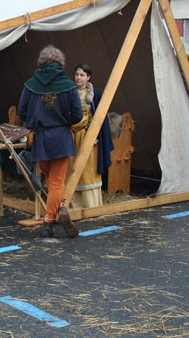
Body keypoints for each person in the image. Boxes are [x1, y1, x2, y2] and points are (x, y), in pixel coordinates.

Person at [18, 45, 82, 238]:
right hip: (61, 137)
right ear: (60, 62)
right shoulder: (69, 85)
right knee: (55, 181)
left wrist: (36, 118)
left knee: (51, 180)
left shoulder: (30, 84)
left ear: (41, 62)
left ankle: (57, 210)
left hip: (41, 138)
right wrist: (63, 121)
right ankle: (51, 218)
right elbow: (78, 115)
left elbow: (22, 112)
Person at [67, 63, 114, 209]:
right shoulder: (69, 93)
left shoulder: (94, 94)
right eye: (77, 74)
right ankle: (72, 203)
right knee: (71, 168)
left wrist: (93, 135)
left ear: (88, 77)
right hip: (71, 137)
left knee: (88, 170)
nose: (78, 78)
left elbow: (99, 118)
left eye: (82, 75)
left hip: (87, 137)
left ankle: (90, 204)